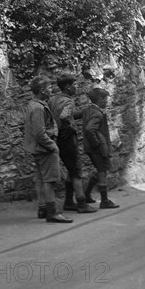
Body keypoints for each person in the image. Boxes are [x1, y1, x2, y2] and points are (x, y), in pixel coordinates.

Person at [23, 76, 73, 223]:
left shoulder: (33, 104)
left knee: (40, 179)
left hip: (37, 148)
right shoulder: (38, 107)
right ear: (42, 90)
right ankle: (52, 212)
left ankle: (42, 208)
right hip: (44, 149)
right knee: (49, 180)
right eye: (49, 88)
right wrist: (53, 146)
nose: (52, 90)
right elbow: (39, 133)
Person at [48, 74, 97, 214]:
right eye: (75, 85)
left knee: (70, 169)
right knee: (76, 171)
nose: (77, 87)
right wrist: (68, 126)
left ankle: (69, 201)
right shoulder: (69, 101)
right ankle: (82, 203)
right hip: (68, 139)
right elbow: (64, 115)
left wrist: (82, 113)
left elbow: (61, 114)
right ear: (68, 87)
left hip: (58, 138)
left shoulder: (54, 99)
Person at [82, 88, 119, 209]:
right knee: (102, 171)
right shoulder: (98, 114)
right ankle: (104, 200)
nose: (107, 101)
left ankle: (87, 194)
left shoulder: (88, 109)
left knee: (99, 170)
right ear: (100, 100)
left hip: (91, 147)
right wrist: (97, 143)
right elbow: (89, 129)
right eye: (105, 99)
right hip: (97, 148)